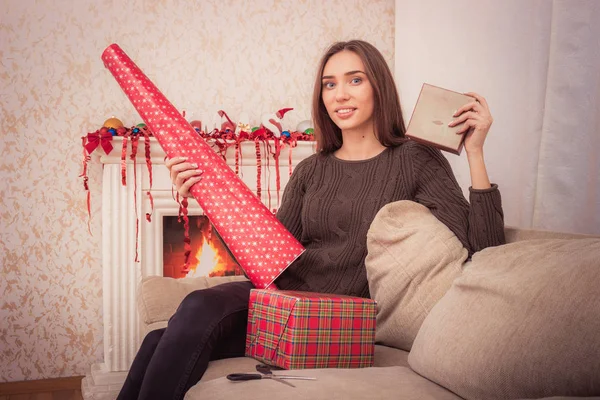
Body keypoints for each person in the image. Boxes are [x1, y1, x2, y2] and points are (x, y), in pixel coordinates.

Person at [117, 39, 505, 400]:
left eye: (355, 80)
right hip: (282, 302)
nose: (340, 94)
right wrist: (203, 196)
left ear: (379, 88)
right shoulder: (312, 170)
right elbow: (269, 256)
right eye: (329, 84)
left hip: (332, 317)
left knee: (200, 304)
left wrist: (475, 153)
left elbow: (485, 250)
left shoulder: (415, 160)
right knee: (158, 340)